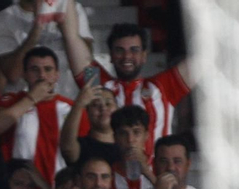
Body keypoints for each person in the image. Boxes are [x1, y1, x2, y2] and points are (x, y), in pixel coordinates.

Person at [64, 15, 191, 161]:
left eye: (134, 50)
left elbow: (205, 58)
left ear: (144, 55)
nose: (127, 56)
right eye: (119, 50)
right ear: (111, 55)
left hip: (153, 179)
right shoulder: (99, 85)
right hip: (109, 180)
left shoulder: (163, 87)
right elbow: (71, 38)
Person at [0, 46, 71, 185]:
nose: (42, 75)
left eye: (48, 69)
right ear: (24, 74)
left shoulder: (71, 108)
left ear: (57, 74)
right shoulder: (10, 101)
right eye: (35, 69)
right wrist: (31, 98)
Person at [0, 0, 92, 98]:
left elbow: (89, 68)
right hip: (24, 105)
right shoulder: (2, 19)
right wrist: (36, 30)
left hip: (68, 102)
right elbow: (13, 75)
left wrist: (67, 30)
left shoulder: (73, 8)